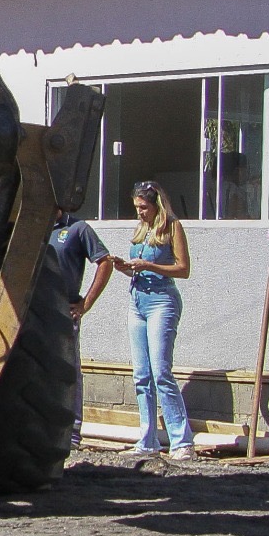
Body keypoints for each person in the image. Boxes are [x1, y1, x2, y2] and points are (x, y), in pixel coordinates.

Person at [110, 181, 193, 460]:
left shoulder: (172, 227)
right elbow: (139, 269)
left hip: (161, 301)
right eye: (137, 207)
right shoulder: (141, 229)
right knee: (141, 375)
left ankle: (181, 441)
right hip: (137, 301)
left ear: (156, 205)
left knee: (161, 372)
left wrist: (149, 265)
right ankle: (147, 439)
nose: (139, 212)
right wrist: (125, 267)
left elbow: (183, 269)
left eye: (143, 207)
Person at [46, 208, 115, 448]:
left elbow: (105, 262)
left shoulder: (78, 229)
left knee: (69, 370)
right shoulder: (32, 226)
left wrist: (86, 303)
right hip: (32, 312)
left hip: (64, 311)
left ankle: (72, 433)